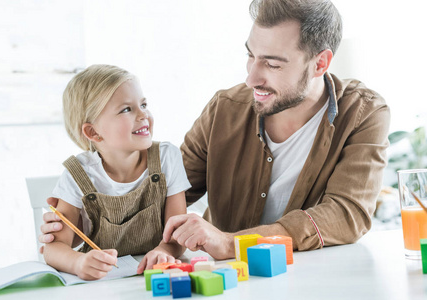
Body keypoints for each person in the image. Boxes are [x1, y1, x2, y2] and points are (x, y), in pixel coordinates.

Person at [40, 0, 390, 260]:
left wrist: (233, 242)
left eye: (272, 63)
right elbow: (162, 192)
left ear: (321, 63)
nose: (252, 77)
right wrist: (88, 219)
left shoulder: (363, 114)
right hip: (230, 283)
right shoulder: (226, 107)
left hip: (312, 280)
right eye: (251, 56)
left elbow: (346, 215)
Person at [42, 64, 190, 280]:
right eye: (126, 109)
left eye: (143, 104)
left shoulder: (167, 157)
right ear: (93, 132)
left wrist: (164, 252)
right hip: (104, 285)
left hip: (158, 276)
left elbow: (178, 231)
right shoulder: (78, 174)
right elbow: (53, 248)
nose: (143, 115)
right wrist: (79, 262)